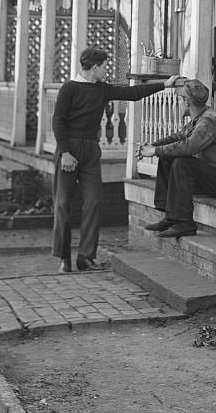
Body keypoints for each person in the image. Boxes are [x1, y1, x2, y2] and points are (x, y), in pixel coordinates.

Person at [52, 46, 179, 273]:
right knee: (63, 205)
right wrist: (65, 152)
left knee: (94, 201)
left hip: (90, 149)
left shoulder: (102, 89)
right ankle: (64, 258)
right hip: (68, 150)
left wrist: (164, 85)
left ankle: (85, 257)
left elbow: (131, 94)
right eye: (104, 67)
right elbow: (58, 121)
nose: (106, 71)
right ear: (94, 67)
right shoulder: (69, 89)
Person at [136, 78, 216, 238]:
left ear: (187, 102)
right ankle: (170, 216)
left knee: (182, 163)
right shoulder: (200, 118)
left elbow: (189, 146)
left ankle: (185, 223)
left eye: (181, 99)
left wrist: (155, 150)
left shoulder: (208, 121)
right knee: (168, 157)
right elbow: (178, 137)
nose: (179, 103)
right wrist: (152, 146)